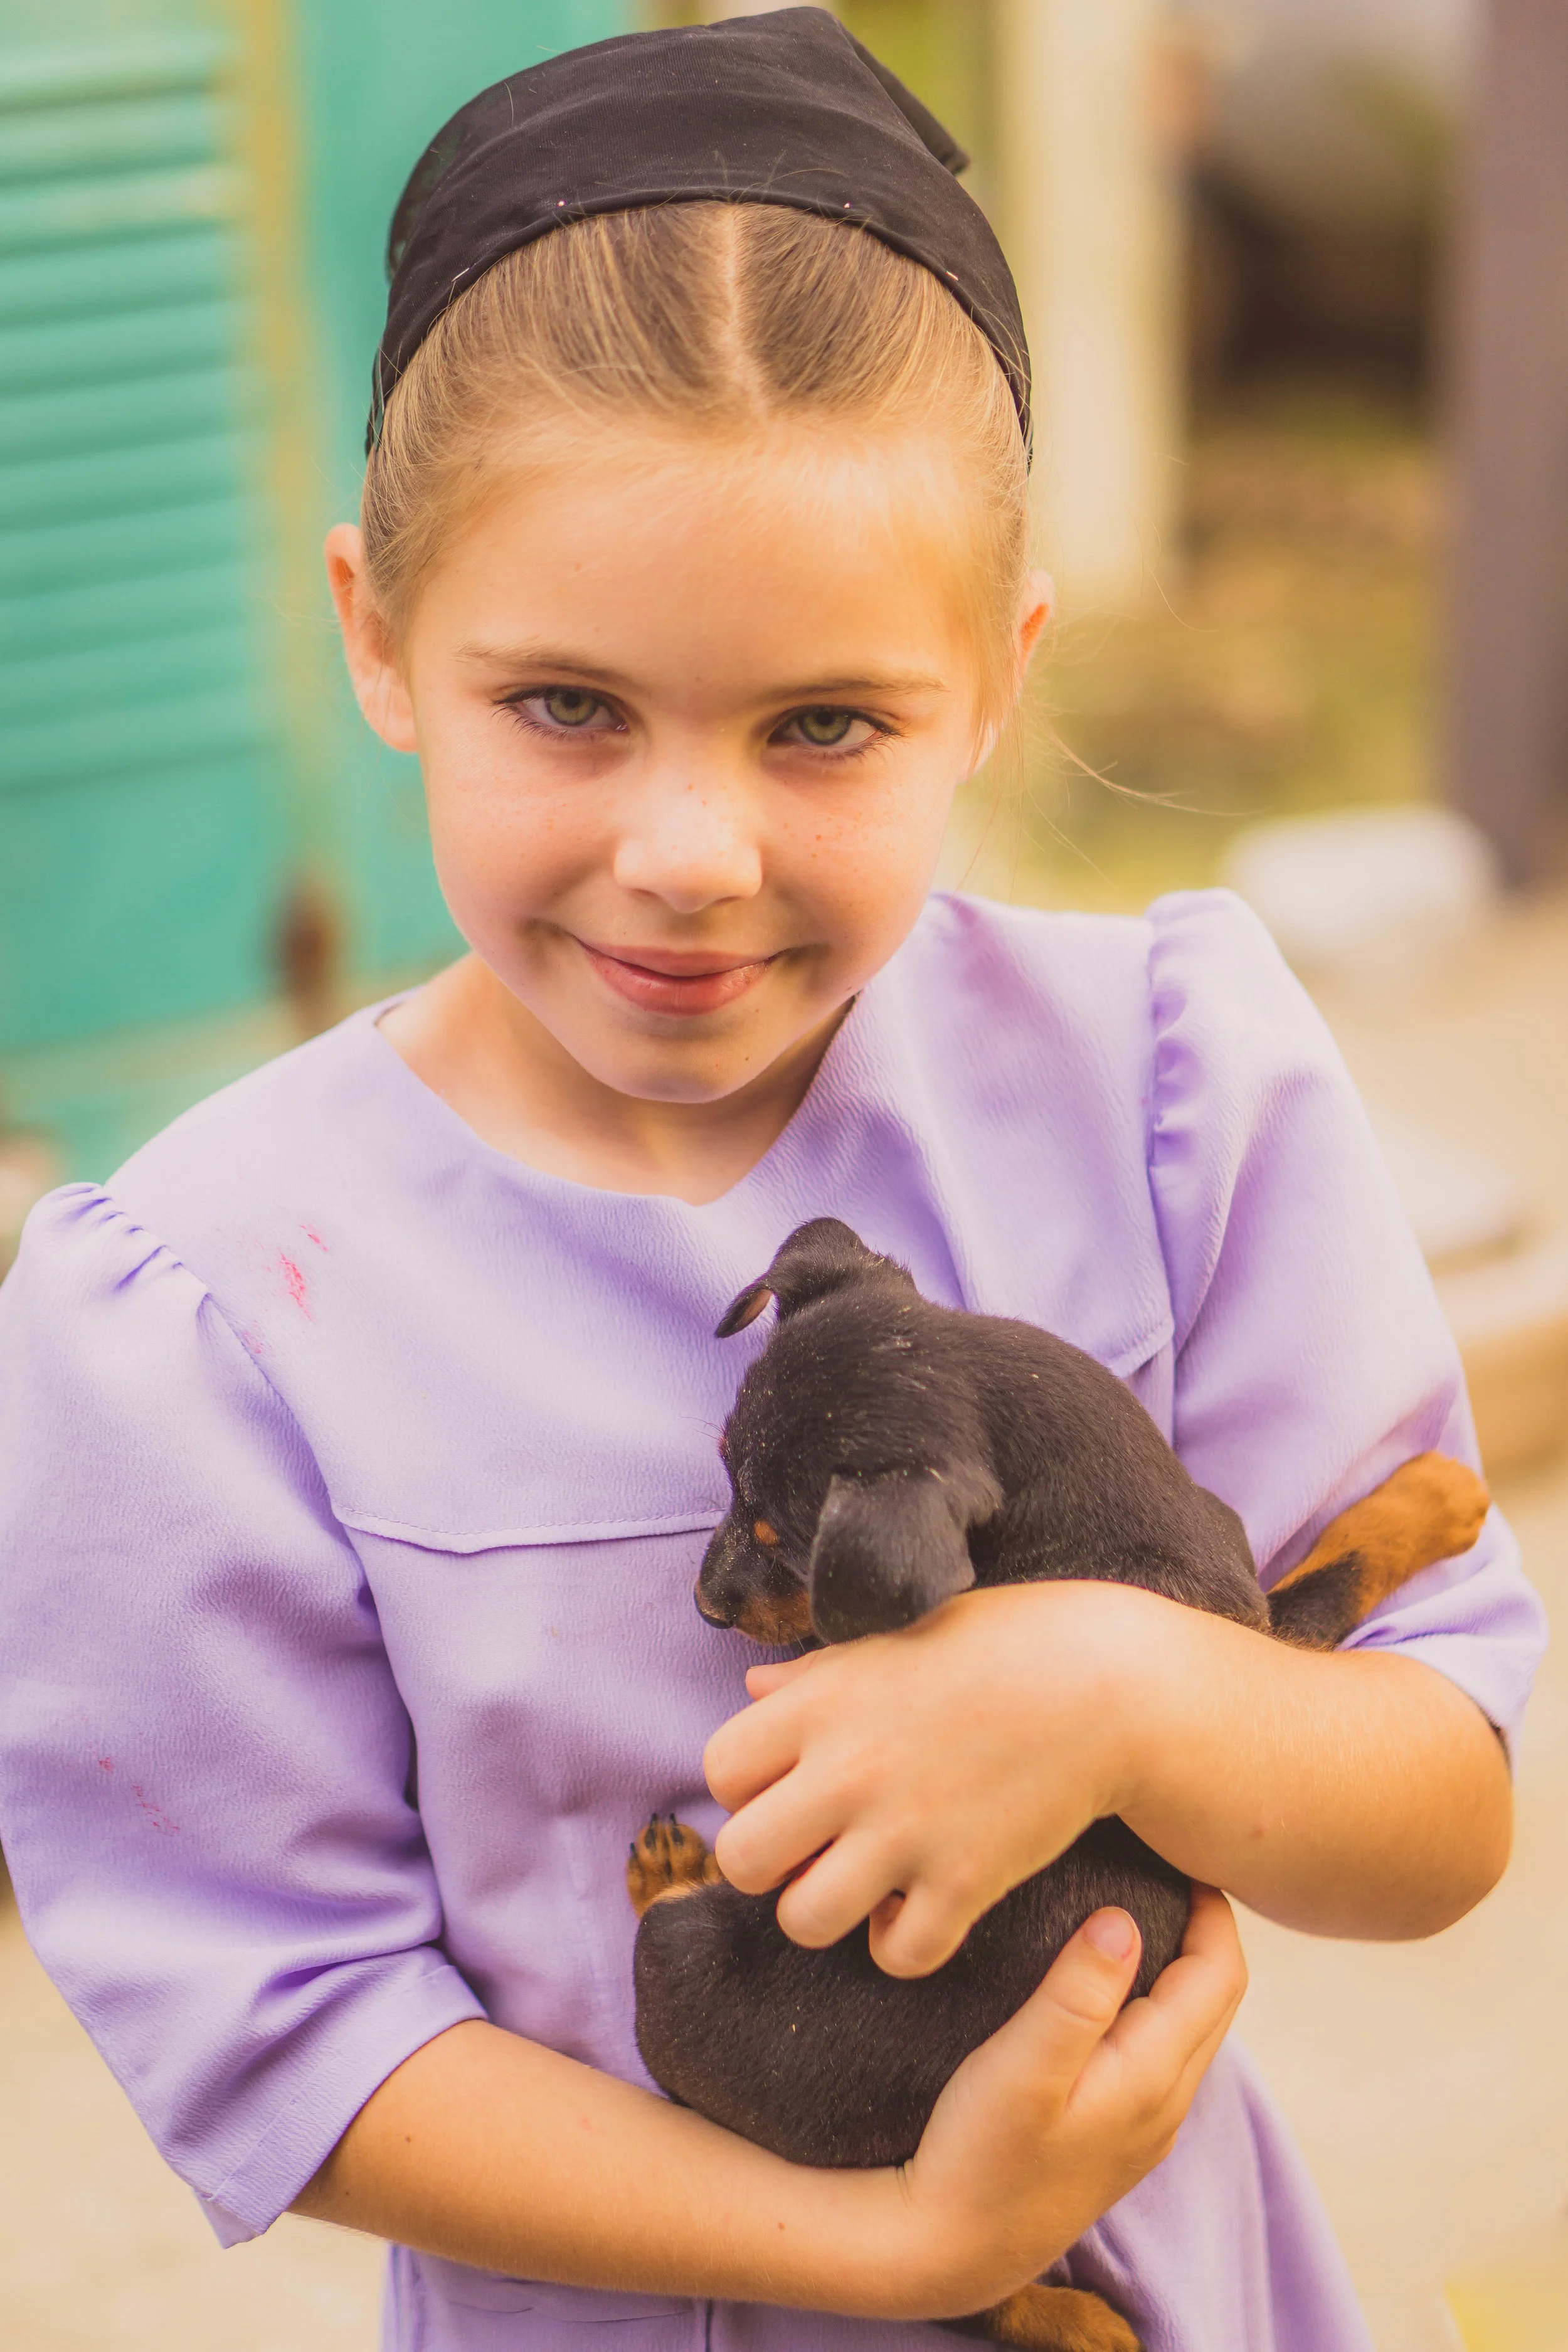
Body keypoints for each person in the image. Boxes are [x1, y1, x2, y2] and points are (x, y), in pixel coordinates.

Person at [0, 13, 1543, 2351]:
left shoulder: (1163, 1084)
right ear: (376, 634)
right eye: (566, 706)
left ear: (996, 678)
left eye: (824, 722)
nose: (689, 853)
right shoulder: (207, 1300)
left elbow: (1436, 1795)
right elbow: (278, 2027)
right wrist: (877, 2248)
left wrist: (1121, 1683)